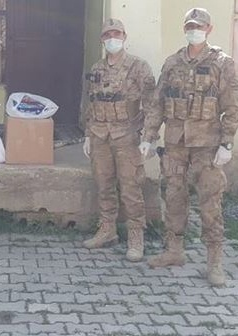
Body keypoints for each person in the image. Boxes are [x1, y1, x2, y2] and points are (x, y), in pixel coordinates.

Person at [140, 8, 238, 286]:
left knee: (210, 202)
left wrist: (227, 143)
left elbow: (232, 106)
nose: (193, 30)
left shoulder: (222, 63)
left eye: (199, 26)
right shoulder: (173, 63)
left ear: (209, 29)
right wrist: (148, 136)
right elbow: (158, 103)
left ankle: (215, 262)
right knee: (172, 197)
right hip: (175, 144)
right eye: (189, 26)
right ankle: (174, 251)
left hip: (207, 146)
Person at [82, 19, 156, 262]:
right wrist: (87, 135)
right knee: (103, 185)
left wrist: (148, 137)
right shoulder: (96, 69)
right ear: (102, 40)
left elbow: (152, 105)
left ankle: (136, 236)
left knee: (131, 187)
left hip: (127, 136)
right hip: (100, 135)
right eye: (107, 35)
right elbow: (90, 103)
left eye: (116, 34)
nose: (112, 38)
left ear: (124, 36)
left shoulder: (139, 67)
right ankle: (107, 230)